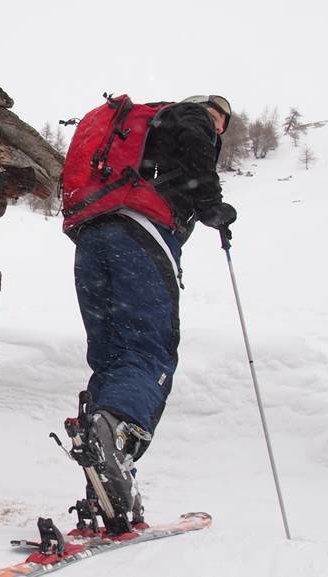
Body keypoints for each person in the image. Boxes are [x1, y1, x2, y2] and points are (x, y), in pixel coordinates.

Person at [67, 94, 237, 533]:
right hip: (141, 235)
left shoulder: (135, 132)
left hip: (92, 239)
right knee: (147, 350)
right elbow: (198, 143)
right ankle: (116, 431)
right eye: (220, 118)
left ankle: (108, 489)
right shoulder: (190, 116)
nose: (218, 126)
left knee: (110, 359)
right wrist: (210, 203)